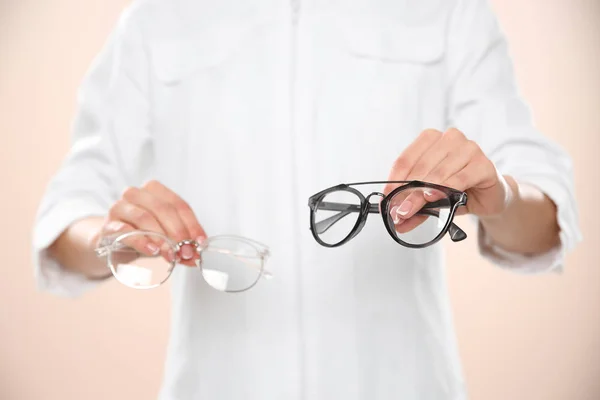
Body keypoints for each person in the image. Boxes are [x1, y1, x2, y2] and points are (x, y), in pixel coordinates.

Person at [32, 0, 582, 398]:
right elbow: (70, 212)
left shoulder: (447, 12)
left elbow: (541, 219)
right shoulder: (155, 22)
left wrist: (503, 194)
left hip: (405, 384)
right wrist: (112, 236)